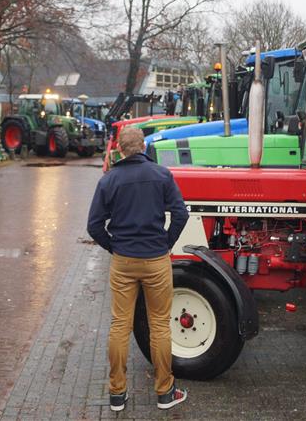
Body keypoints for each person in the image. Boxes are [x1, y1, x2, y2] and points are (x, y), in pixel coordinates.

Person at [87, 126, 190, 412]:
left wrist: (113, 246)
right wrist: (166, 242)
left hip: (124, 261)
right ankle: (165, 392)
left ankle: (117, 394)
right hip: (156, 259)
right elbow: (180, 213)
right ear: (143, 147)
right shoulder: (162, 175)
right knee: (159, 325)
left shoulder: (109, 180)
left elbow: (94, 225)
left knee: (120, 325)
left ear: (119, 149)